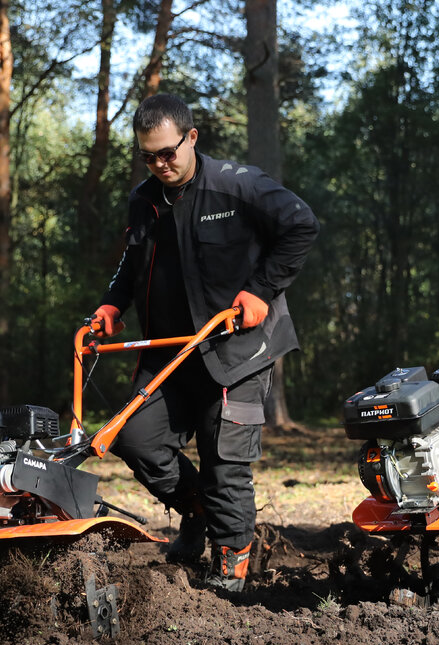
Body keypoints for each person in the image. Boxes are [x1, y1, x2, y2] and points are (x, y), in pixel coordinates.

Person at [90, 94, 319, 591]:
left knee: (224, 459)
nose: (160, 164)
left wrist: (260, 291)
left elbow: (302, 225)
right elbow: (132, 265)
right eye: (148, 156)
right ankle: (197, 512)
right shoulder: (143, 199)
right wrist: (111, 305)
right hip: (170, 350)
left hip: (237, 350)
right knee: (133, 438)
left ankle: (231, 564)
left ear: (192, 138)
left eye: (168, 152)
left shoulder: (238, 186)